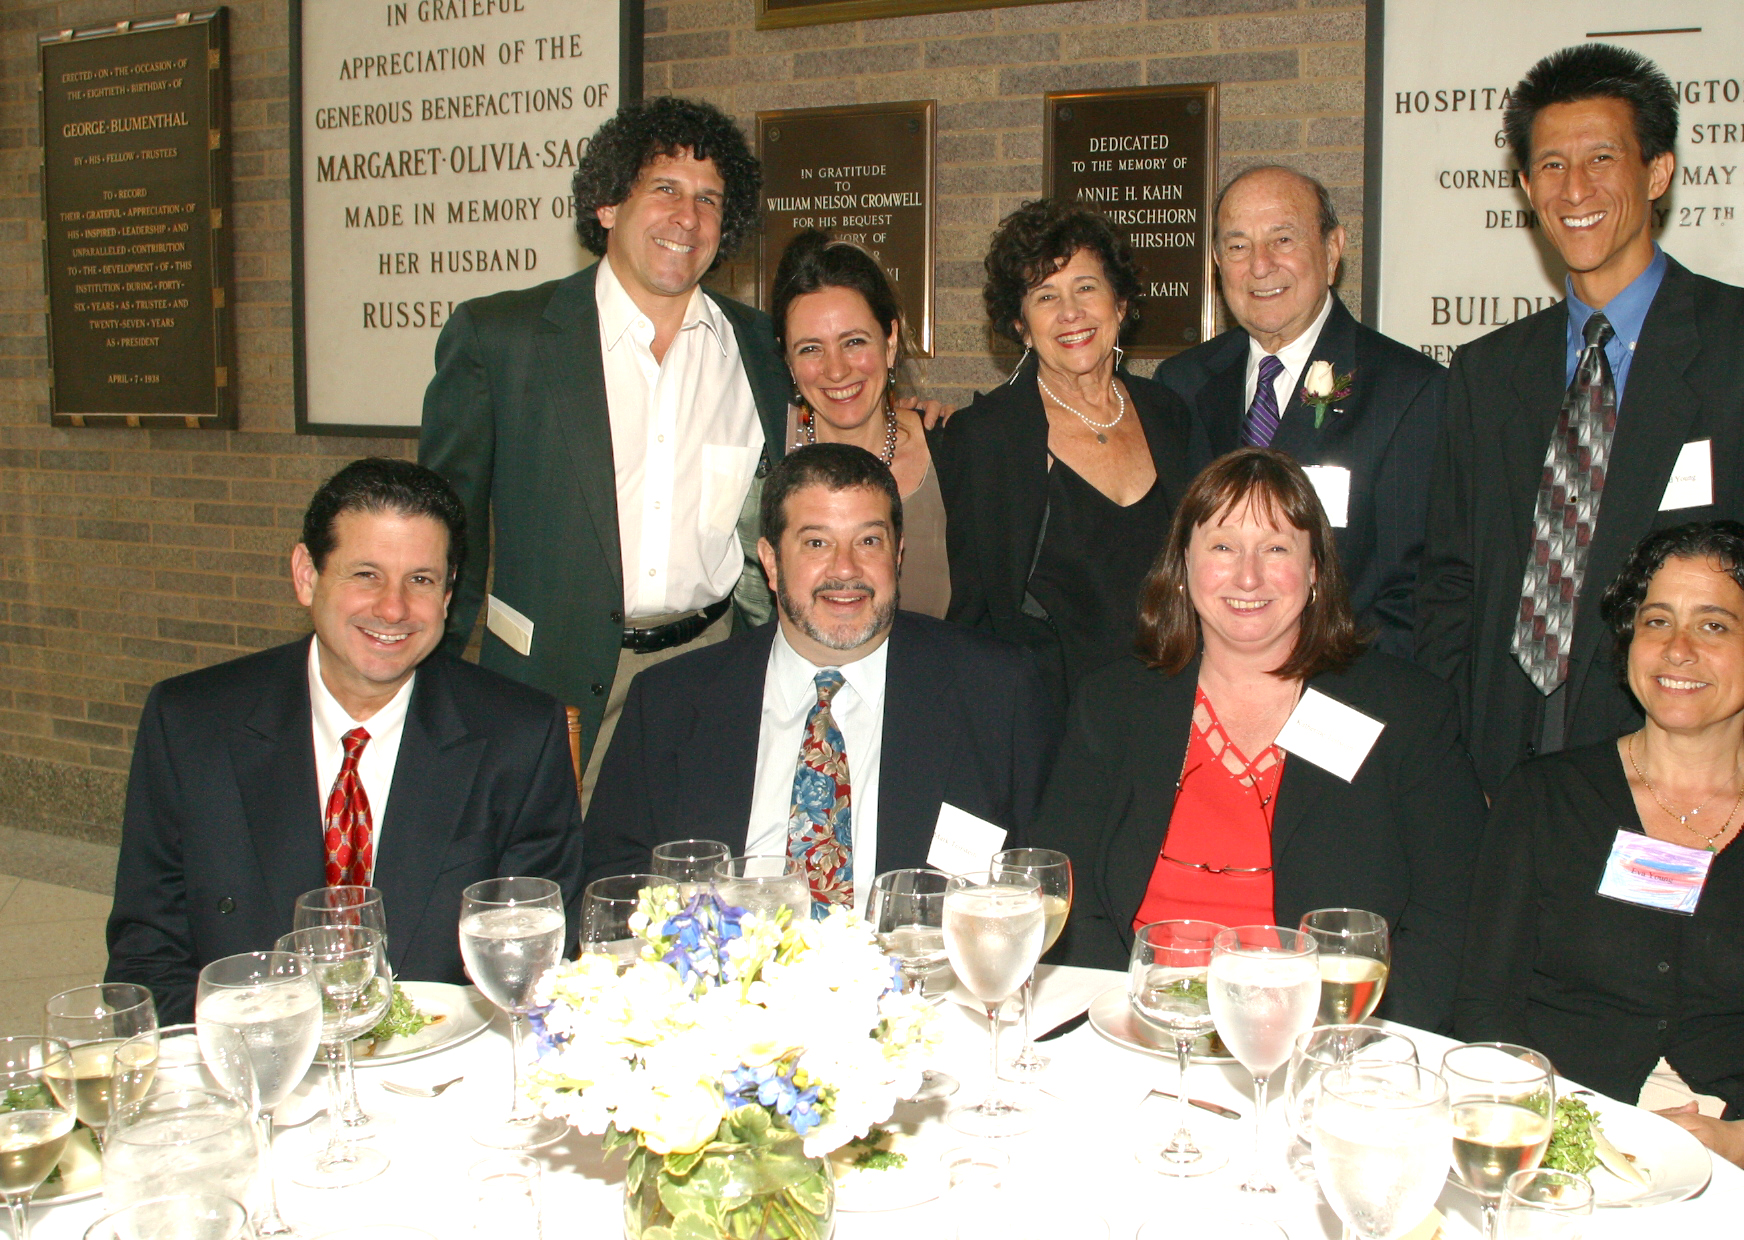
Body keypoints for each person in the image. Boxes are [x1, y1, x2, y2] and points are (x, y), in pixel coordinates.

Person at [1416, 43, 1744, 788]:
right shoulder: (1486, 372)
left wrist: (1708, 734)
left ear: (1657, 173)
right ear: (1524, 185)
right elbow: (1450, 581)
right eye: (1550, 165)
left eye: (1601, 159)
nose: (1574, 188)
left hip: (1671, 762)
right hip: (1494, 765)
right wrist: (1449, 734)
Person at [1455, 520, 1744, 1197]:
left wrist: (1740, 1143)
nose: (1678, 649)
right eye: (1656, 621)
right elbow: (1486, 1012)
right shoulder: (1545, 799)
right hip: (1558, 1146)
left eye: (1714, 626)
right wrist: (1565, 1132)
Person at [104, 459, 584, 1020]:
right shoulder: (192, 725)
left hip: (441, 1075)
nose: (393, 608)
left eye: (421, 580)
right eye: (366, 574)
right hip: (256, 1069)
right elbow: (148, 957)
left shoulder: (519, 737)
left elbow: (534, 970)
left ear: (449, 597)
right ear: (307, 575)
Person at [1029, 449, 1486, 1032]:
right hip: (1138, 1026)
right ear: (1184, 563)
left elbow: (1449, 921)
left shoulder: (1406, 713)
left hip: (1322, 1038)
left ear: (1316, 568)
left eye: (1276, 548)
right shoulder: (1113, 704)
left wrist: (1351, 1041)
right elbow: (1067, 896)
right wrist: (1115, 1021)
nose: (1248, 576)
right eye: (1222, 547)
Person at [420, 97, 793, 788]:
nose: (689, 217)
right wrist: (426, 697)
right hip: (547, 682)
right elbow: (444, 540)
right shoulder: (501, 339)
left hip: (712, 673)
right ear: (607, 205)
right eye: (665, 189)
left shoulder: (762, 352)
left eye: (710, 198)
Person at [581, 444, 1054, 908]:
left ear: (899, 554)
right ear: (770, 562)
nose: (845, 569)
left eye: (869, 541)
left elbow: (1040, 877)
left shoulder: (996, 691)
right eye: (816, 543)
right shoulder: (668, 701)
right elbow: (614, 886)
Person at [1156, 166, 1443, 656]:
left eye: (1283, 239)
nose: (1260, 266)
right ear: (1218, 262)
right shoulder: (1181, 384)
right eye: (1238, 245)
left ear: (1332, 251)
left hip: (1336, 692)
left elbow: (1412, 593)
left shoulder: (1408, 391)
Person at [941, 199, 1194, 713]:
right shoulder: (987, 437)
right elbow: (973, 612)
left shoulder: (1169, 413)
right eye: (1045, 296)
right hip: (1053, 726)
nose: (1070, 312)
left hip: (1175, 710)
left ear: (1120, 304)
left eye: (1085, 287)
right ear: (1020, 325)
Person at [771, 230, 949, 618]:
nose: (836, 370)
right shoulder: (763, 457)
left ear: (890, 342)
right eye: (811, 348)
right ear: (787, 359)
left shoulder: (954, 455)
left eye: (854, 342)